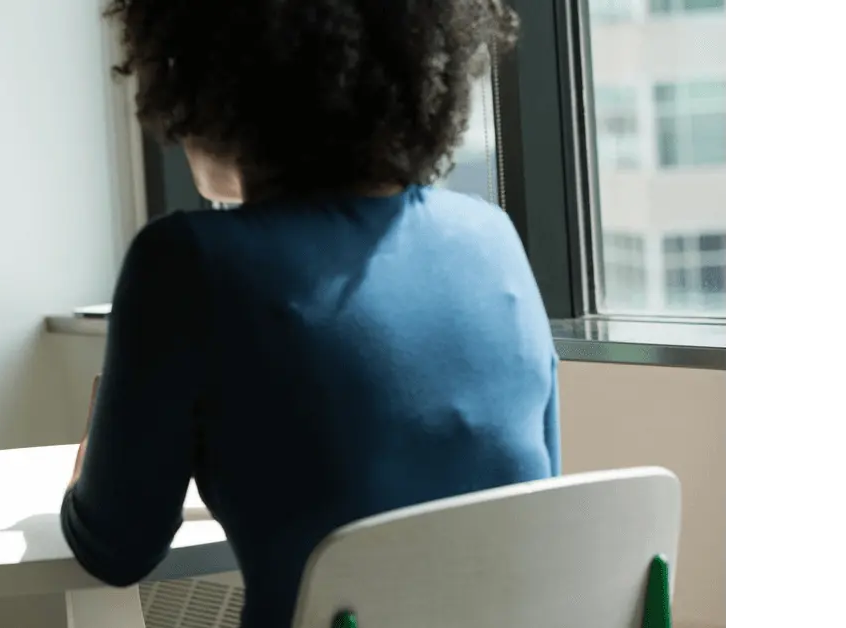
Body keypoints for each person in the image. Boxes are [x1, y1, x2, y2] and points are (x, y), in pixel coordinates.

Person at [61, 1, 558, 627]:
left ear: (205, 75)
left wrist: (88, 476)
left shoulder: (187, 263)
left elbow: (115, 550)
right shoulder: (493, 240)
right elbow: (535, 499)